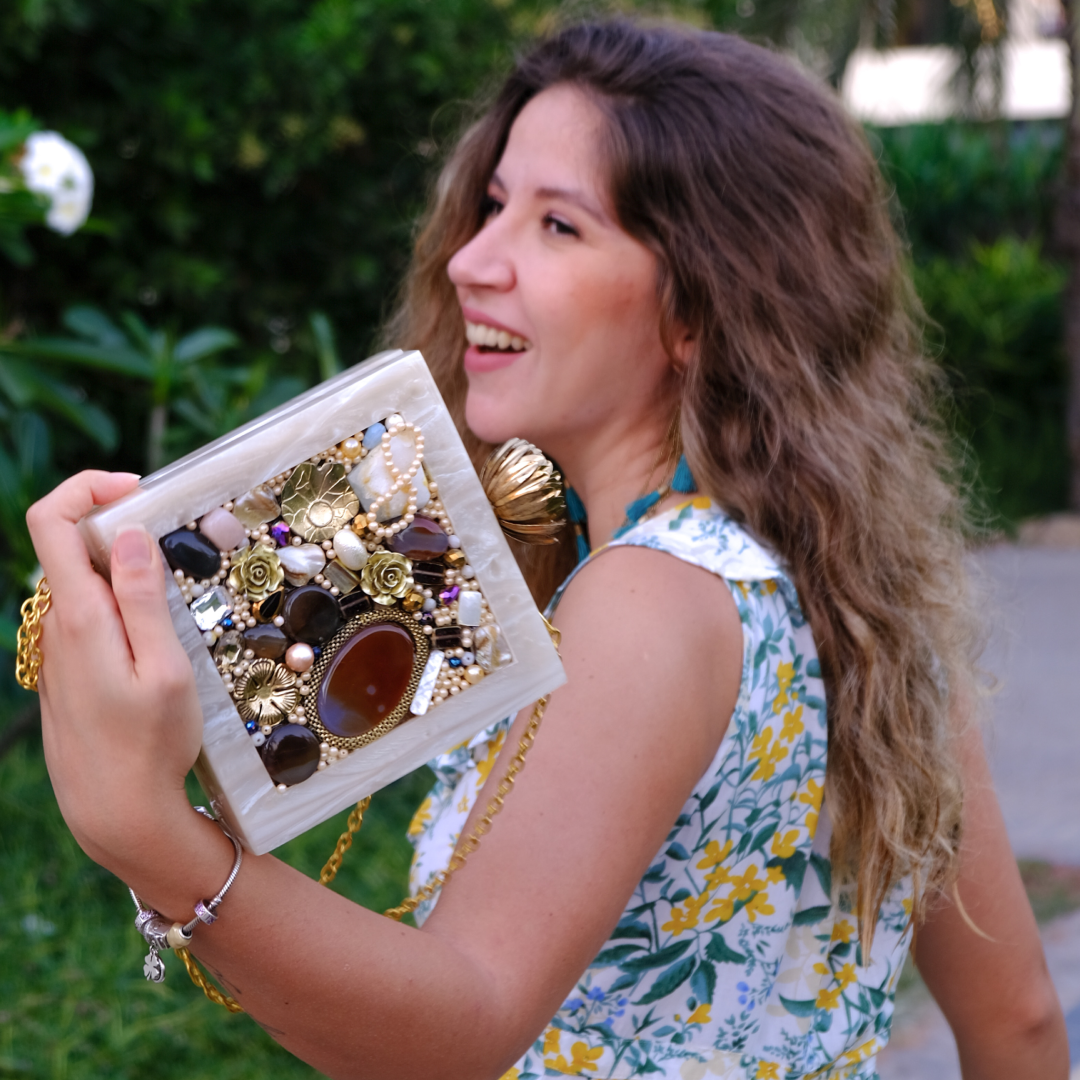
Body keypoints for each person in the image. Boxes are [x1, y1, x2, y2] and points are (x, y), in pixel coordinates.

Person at [25, 19, 1067, 1080]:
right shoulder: (852, 593)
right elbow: (1019, 1019)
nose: (474, 260)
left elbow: (464, 1025)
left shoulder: (651, 598)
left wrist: (148, 834)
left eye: (559, 227)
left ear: (703, 309)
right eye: (493, 206)